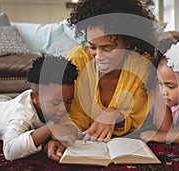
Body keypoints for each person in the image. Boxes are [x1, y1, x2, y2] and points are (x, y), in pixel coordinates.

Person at [45, 0, 158, 161]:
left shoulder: (142, 65)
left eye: (107, 48)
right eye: (92, 47)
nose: (98, 56)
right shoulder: (78, 60)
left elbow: (136, 118)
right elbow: (74, 114)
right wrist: (65, 135)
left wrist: (115, 114)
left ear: (128, 42)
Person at [0, 55, 79, 161]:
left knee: (2, 101)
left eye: (69, 102)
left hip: (3, 102)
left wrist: (66, 133)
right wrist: (49, 129)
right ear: (35, 98)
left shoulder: (54, 104)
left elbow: (72, 127)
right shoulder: (21, 115)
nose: (64, 108)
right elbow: (10, 151)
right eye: (56, 103)